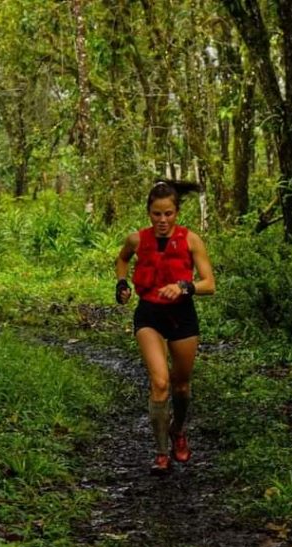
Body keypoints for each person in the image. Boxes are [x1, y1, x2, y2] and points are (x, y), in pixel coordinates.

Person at [115, 180, 215, 476]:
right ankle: (161, 453)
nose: (162, 220)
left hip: (182, 315)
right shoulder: (136, 239)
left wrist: (185, 286)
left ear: (176, 213)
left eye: (168, 214)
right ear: (148, 212)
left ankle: (178, 430)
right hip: (149, 314)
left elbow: (209, 284)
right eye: (157, 214)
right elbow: (121, 260)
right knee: (160, 382)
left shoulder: (191, 240)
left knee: (181, 383)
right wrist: (122, 284)